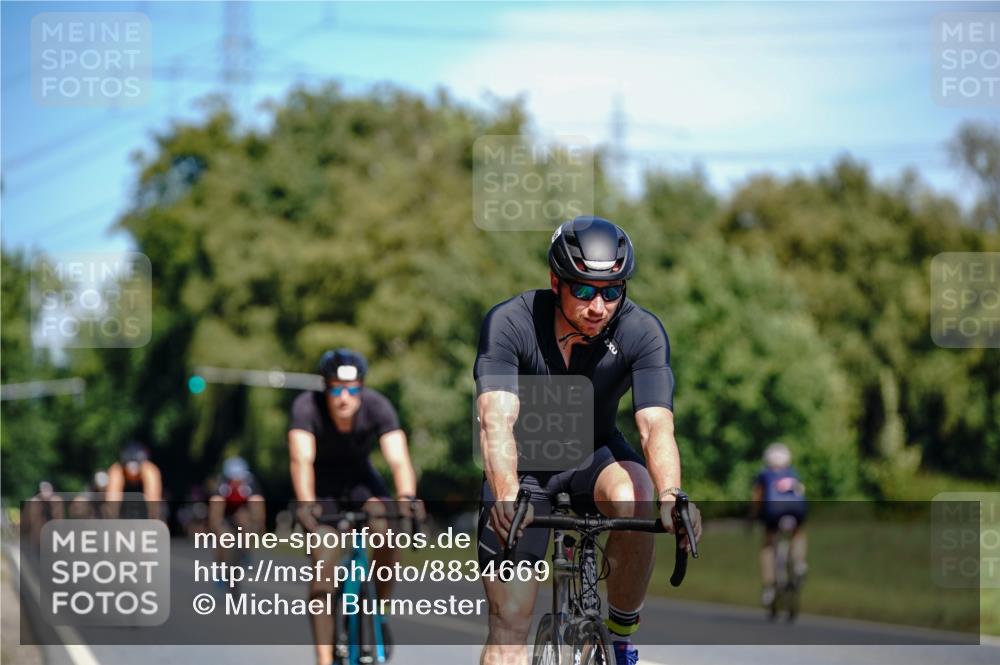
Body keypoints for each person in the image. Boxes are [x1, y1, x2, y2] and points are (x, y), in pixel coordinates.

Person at [474, 216, 702, 665]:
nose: (598, 305)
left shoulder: (642, 331)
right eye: (583, 290)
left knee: (638, 493)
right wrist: (504, 492)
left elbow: (655, 425)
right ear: (555, 281)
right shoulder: (510, 321)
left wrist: (672, 495)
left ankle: (619, 641)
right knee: (510, 626)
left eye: (612, 291)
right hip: (524, 467)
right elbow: (495, 418)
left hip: (594, 453)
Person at [288, 348, 424, 665]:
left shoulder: (377, 406)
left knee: (387, 529)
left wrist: (407, 496)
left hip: (363, 484)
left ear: (362, 387)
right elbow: (301, 459)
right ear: (326, 387)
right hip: (322, 490)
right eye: (336, 388)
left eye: (352, 389)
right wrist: (306, 503)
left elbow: (399, 459)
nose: (344, 397)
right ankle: (324, 658)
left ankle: (378, 610)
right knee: (323, 575)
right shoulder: (306, 407)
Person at [750, 442, 807, 607]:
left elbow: (757, 498)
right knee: (798, 533)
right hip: (797, 511)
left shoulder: (764, 474)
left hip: (773, 512)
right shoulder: (794, 473)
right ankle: (799, 563)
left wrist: (752, 517)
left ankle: (769, 586)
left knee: (768, 545)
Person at [208, 456, 265, 573]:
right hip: (226, 514)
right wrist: (216, 528)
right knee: (222, 537)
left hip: (242, 512)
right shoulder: (222, 484)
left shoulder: (250, 483)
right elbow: (215, 511)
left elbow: (258, 507)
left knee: (245, 519)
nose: (237, 479)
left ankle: (246, 551)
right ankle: (220, 567)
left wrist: (259, 525)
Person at [105, 442, 163, 520]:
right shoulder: (117, 471)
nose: (132, 471)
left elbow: (154, 501)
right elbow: (112, 501)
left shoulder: (150, 471)